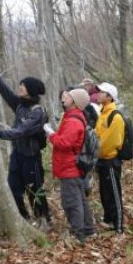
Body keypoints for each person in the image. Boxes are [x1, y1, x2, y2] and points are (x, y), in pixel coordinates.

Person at [0, 62, 51, 225]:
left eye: (23, 86)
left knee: (34, 189)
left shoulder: (38, 112)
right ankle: (23, 218)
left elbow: (22, 130)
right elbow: (6, 93)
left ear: (30, 90)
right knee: (13, 188)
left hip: (31, 157)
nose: (20, 88)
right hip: (17, 155)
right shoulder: (20, 105)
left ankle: (43, 219)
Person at [43, 89, 95, 243]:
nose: (64, 97)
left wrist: (50, 134)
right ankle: (87, 229)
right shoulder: (72, 117)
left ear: (75, 101)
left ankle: (78, 234)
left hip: (69, 167)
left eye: (68, 96)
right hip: (72, 166)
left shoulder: (73, 121)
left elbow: (64, 143)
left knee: (71, 202)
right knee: (80, 200)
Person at [94, 82, 125, 234]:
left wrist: (95, 152)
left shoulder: (115, 116)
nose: (98, 94)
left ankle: (118, 225)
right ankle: (108, 220)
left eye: (101, 92)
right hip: (102, 160)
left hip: (110, 160)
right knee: (105, 192)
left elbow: (110, 142)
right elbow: (97, 136)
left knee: (114, 192)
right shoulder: (103, 114)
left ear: (109, 97)